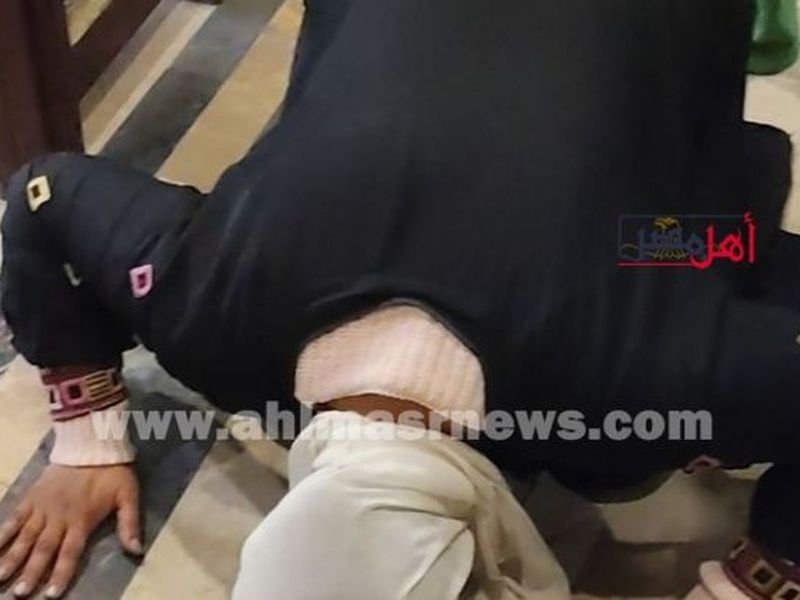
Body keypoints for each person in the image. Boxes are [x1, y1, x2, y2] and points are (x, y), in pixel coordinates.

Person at [0, 0, 798, 598]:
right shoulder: (207, 307)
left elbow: (41, 197)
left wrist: (760, 576)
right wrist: (87, 432)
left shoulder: (637, 379)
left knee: (628, 426)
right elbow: (43, 194)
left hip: (608, 241)